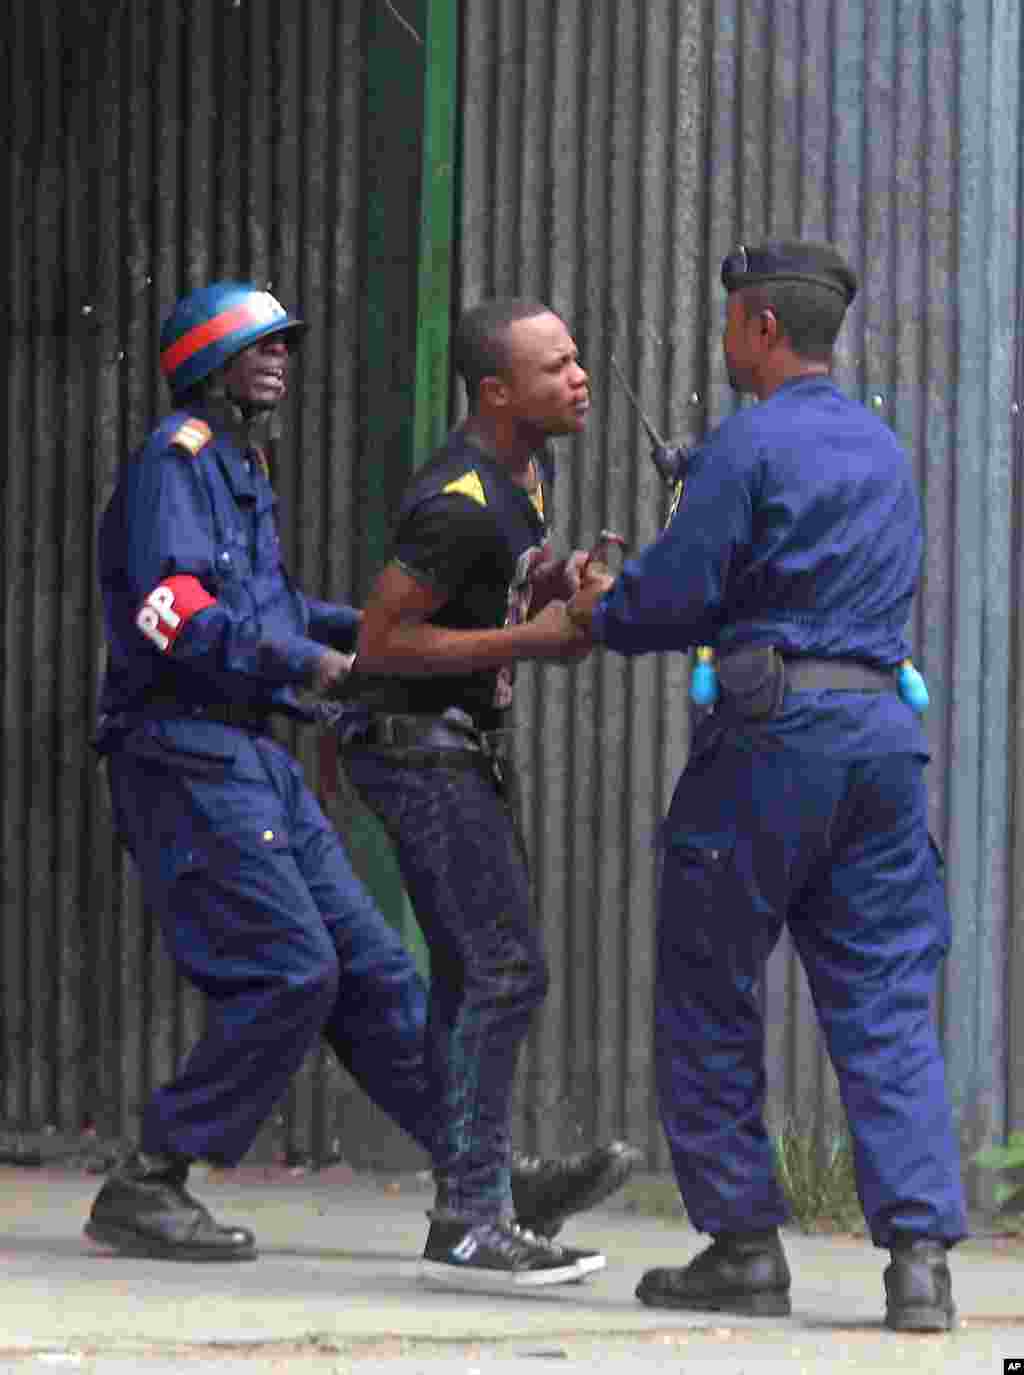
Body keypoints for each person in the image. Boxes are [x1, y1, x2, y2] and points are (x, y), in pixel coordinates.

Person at [85, 282, 637, 1272]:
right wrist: (309, 664)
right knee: (294, 969)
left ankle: (481, 1182)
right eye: (256, 348)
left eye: (284, 346)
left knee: (378, 975)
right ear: (203, 368)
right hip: (184, 748)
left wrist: (351, 638)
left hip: (255, 750)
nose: (279, 360)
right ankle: (149, 1177)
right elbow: (170, 611)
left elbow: (276, 602)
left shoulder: (246, 470)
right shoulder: (176, 467)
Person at [560, 242, 967, 1330]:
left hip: (772, 738)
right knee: (883, 997)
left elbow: (671, 599)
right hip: (883, 740)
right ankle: (918, 1261)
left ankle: (742, 1245)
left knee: (708, 981)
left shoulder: (744, 446)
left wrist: (600, 600)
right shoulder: (883, 449)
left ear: (760, 329)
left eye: (733, 325)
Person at [338, 297, 641, 1292]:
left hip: (455, 744)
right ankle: (472, 1212)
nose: (580, 376)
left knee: (475, 975)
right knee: (504, 968)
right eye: (555, 367)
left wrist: (559, 584)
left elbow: (498, 581)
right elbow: (380, 642)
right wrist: (532, 639)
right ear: (495, 391)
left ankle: (479, 1196)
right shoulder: (456, 496)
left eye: (577, 357)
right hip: (411, 745)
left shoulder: (527, 473)